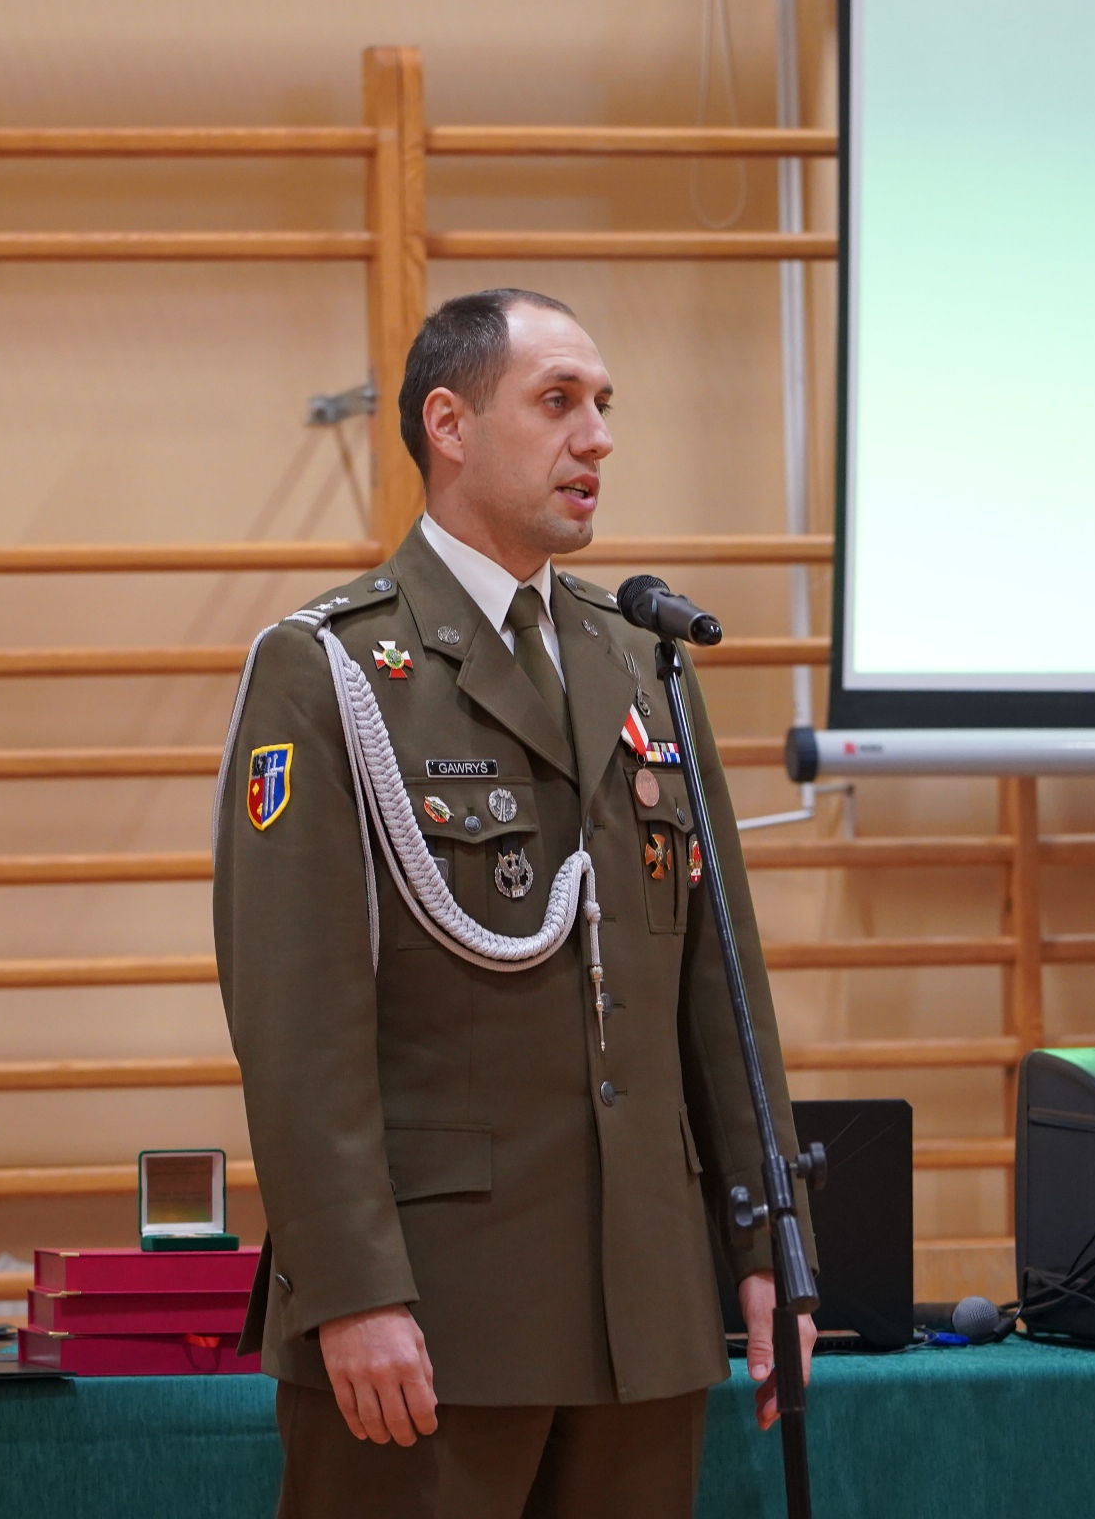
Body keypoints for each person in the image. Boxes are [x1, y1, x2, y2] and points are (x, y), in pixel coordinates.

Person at [214, 288, 813, 1519]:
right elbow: (295, 1023)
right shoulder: (332, 668)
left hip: (643, 1312)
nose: (597, 437)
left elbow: (721, 988)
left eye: (603, 405)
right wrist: (351, 1288)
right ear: (450, 424)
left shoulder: (640, 657)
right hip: (437, 1314)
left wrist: (770, 1248)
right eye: (558, 402)